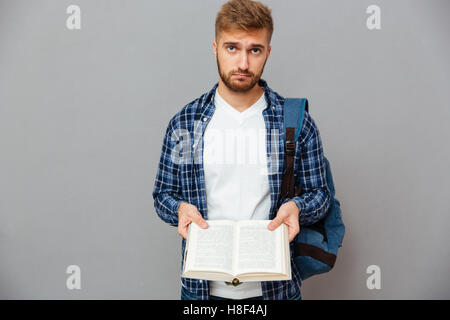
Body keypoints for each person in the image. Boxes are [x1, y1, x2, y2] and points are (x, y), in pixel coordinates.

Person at [152, 0, 331, 300]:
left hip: (276, 290)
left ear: (268, 52)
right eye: (232, 48)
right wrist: (180, 209)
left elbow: (321, 195)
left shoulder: (295, 122)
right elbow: (163, 195)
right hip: (201, 292)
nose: (243, 63)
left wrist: (297, 207)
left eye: (255, 50)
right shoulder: (186, 123)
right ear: (215, 48)